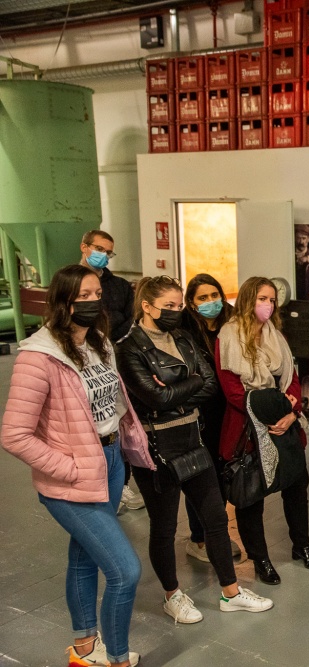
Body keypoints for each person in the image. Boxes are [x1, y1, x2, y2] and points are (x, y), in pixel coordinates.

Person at [2, 264, 152, 667]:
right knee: (125, 571)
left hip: (110, 461)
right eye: (82, 296)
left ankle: (85, 650)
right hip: (72, 473)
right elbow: (14, 434)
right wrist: (68, 468)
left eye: (96, 294)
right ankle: (117, 660)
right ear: (62, 301)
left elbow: (111, 403)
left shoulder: (99, 342)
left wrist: (123, 445)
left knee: (84, 557)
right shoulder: (39, 356)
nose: (92, 301)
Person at [117, 277, 272, 623]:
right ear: (147, 306)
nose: (176, 312)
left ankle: (230, 592)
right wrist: (184, 388)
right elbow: (154, 398)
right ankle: (172, 595)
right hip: (157, 448)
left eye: (178, 306)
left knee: (215, 517)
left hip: (193, 437)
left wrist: (175, 389)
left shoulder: (183, 337)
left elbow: (209, 383)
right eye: (168, 306)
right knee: (165, 526)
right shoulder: (128, 348)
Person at [216, 277, 309, 585]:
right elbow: (233, 391)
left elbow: (292, 379)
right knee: (251, 498)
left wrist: (292, 412)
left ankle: (301, 545)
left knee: (296, 488)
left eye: (272, 300)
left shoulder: (276, 335)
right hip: (248, 428)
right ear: (249, 300)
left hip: (284, 424)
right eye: (263, 298)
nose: (269, 305)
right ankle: (260, 558)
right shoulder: (228, 336)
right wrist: (272, 409)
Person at [79, 230, 144, 515]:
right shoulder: (69, 279)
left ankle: (121, 485)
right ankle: (96, 485)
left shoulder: (117, 285)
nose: (103, 256)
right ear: (84, 247)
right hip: (85, 361)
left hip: (115, 357)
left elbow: (128, 319)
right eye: (99, 249)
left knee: (118, 420)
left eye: (109, 252)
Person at [180, 273, 242, 563]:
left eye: (214, 295)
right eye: (202, 298)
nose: (210, 302)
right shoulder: (183, 330)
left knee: (224, 471)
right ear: (192, 303)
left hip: (230, 410)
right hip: (200, 411)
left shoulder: (234, 323)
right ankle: (200, 538)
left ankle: (217, 530)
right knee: (200, 475)